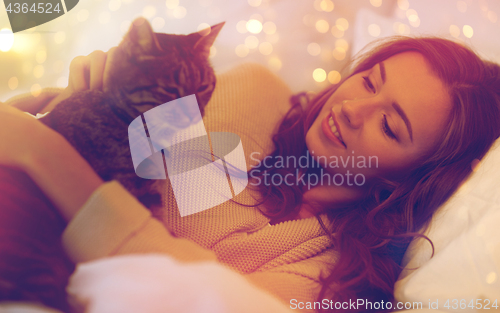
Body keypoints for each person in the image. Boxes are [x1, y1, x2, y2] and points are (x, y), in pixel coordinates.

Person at [1, 36, 499, 312]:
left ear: (411, 179)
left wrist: (46, 157)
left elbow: (185, 295)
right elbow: (131, 160)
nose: (353, 108)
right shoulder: (253, 96)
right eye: (369, 81)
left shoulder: (332, 282)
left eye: (389, 125)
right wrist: (90, 98)